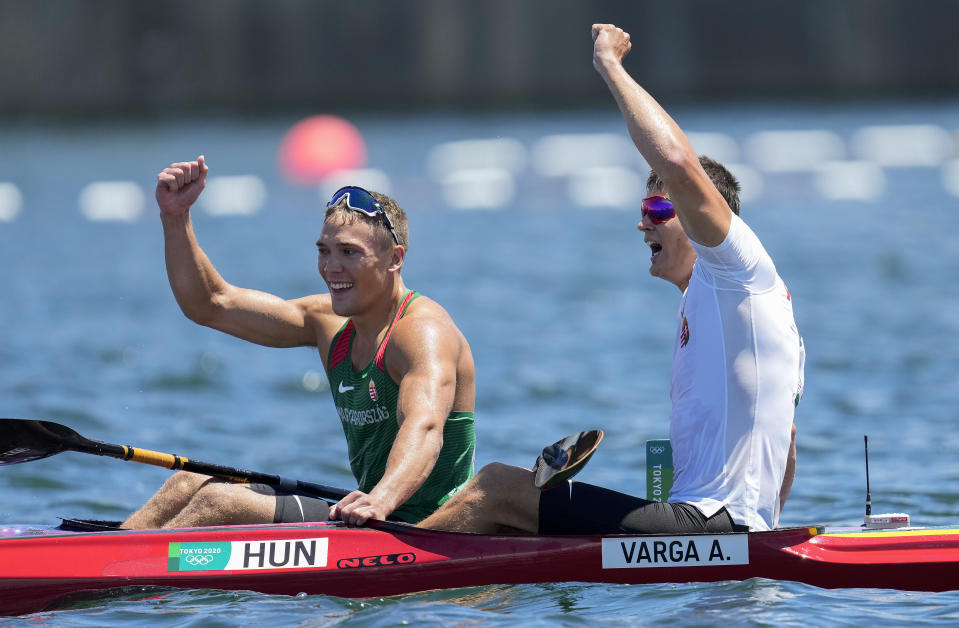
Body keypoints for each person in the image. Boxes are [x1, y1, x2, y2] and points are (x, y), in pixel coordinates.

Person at [418, 24, 803, 535]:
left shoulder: (736, 266)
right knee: (514, 521)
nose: (643, 221)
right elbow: (788, 442)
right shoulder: (722, 307)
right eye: (644, 207)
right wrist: (765, 538)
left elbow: (676, 161)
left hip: (714, 525)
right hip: (715, 528)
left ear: (706, 215)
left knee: (496, 487)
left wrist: (610, 65)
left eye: (659, 206)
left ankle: (381, 558)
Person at [123, 156, 476, 529]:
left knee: (216, 502)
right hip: (368, 514)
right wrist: (176, 217)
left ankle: (121, 576)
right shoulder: (329, 324)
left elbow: (424, 427)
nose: (331, 267)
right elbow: (210, 304)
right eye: (324, 251)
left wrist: (380, 500)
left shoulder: (422, 332)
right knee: (185, 484)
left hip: (428, 527)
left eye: (349, 252)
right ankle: (100, 560)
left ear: (394, 259)